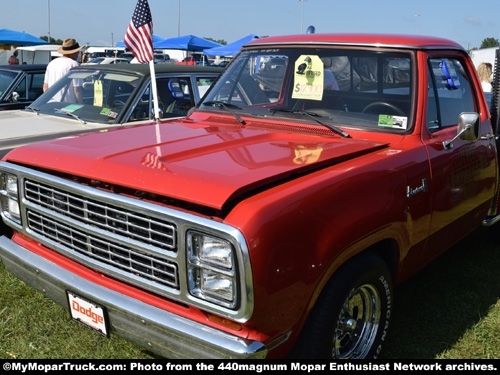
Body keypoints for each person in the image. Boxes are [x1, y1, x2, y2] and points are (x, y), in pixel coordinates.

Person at [43, 38, 84, 103]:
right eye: (77, 51)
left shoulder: (51, 63)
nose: (78, 54)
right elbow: (77, 89)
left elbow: (45, 86)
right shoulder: (74, 64)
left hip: (50, 105)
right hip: (67, 106)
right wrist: (81, 104)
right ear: (73, 52)